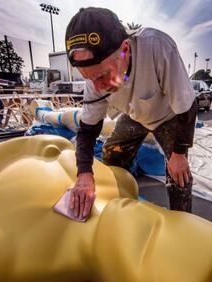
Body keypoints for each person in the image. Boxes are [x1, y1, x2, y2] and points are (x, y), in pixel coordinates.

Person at [65, 7, 197, 220]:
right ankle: (119, 206)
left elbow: (188, 106)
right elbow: (87, 130)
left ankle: (182, 223)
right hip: (135, 116)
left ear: (125, 49)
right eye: (90, 79)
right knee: (112, 154)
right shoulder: (95, 81)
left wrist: (179, 154)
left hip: (169, 116)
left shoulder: (157, 48)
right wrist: (84, 174)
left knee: (178, 175)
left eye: (103, 76)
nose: (98, 87)